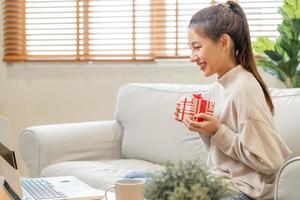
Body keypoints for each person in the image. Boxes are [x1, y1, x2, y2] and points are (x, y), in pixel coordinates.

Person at [175, 1, 291, 200]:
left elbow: (270, 161)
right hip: (219, 184)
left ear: (224, 42)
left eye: (197, 47)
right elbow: (221, 158)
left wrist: (217, 130)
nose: (192, 57)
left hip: (246, 191)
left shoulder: (245, 87)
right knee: (136, 179)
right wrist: (203, 128)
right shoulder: (216, 89)